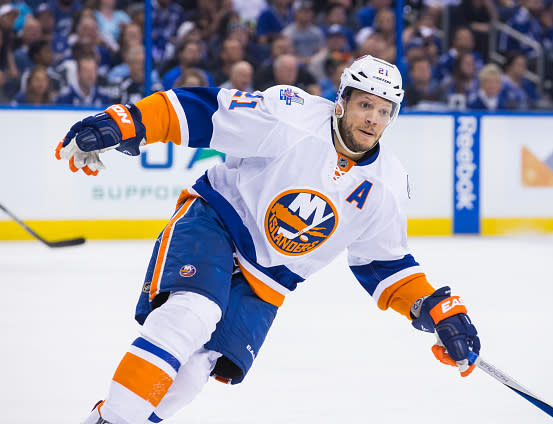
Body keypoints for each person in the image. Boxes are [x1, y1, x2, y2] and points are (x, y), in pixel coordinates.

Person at [55, 55, 481, 424]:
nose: (373, 118)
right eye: (365, 104)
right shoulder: (289, 116)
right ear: (342, 102)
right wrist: (128, 122)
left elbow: (383, 264)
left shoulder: (386, 185)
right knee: (192, 313)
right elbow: (206, 113)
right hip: (219, 222)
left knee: (191, 376)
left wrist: (434, 309)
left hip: (270, 278)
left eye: (385, 111)